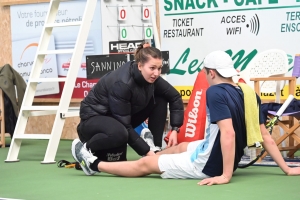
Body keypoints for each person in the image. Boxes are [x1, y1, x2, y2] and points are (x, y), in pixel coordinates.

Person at [72, 50, 300, 184]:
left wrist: (225, 175)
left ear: (210, 73)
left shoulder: (215, 92)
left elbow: (228, 133)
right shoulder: (248, 91)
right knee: (181, 147)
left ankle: (94, 163)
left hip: (207, 164)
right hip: (211, 150)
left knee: (145, 164)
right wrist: (287, 169)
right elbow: (265, 137)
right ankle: (157, 151)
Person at [74, 42, 184, 170]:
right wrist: (147, 154)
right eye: (152, 68)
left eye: (159, 68)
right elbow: (125, 126)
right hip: (93, 119)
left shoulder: (152, 78)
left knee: (160, 99)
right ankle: (84, 151)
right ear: (140, 66)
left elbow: (175, 97)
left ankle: (156, 147)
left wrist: (174, 130)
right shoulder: (122, 83)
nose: (156, 73)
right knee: (120, 133)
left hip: (118, 119)